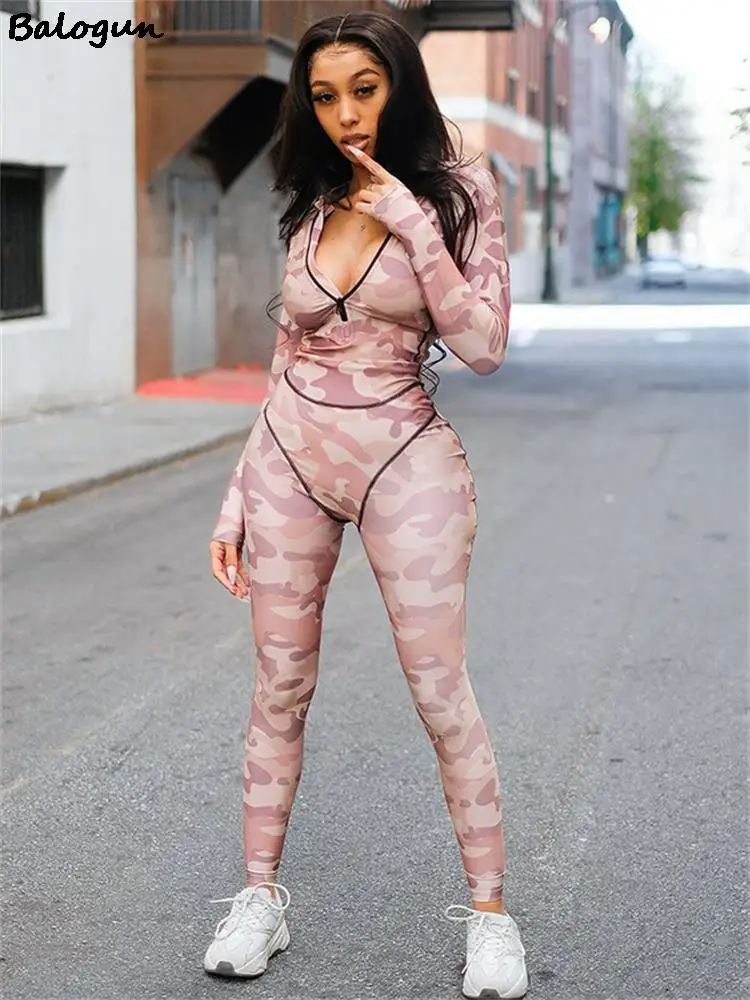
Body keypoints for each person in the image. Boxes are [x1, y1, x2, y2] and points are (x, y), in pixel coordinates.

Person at [204, 11, 528, 999]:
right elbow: (288, 355)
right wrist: (238, 491)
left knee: (439, 690)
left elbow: (484, 345)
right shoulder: (312, 200)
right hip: (289, 461)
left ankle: (490, 916)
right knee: (278, 688)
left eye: (365, 89)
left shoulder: (463, 191)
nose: (346, 113)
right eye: (325, 95)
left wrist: (416, 228)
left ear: (401, 87)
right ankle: (259, 897)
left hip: (403, 459)